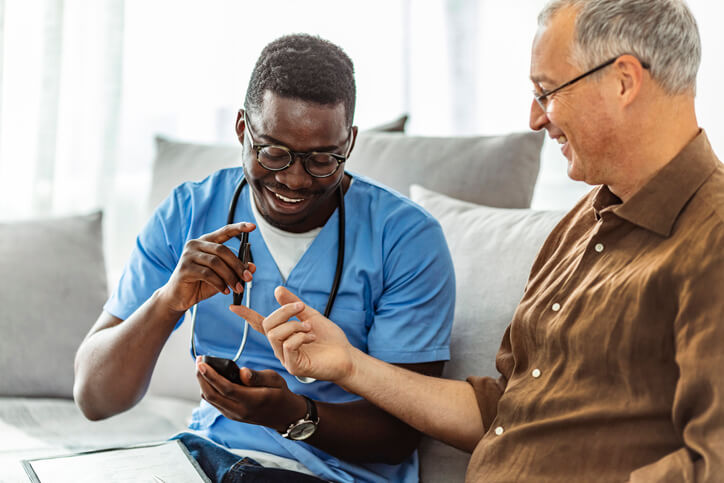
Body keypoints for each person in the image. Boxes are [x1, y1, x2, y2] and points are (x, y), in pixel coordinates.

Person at [232, 1, 724, 481]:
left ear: (623, 81)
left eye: (547, 91)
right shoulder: (582, 226)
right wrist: (350, 366)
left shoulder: (712, 242)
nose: (536, 119)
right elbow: (505, 412)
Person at [73, 34, 455, 482]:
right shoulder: (189, 211)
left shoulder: (406, 238)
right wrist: (165, 303)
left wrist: (293, 414)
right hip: (203, 458)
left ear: (349, 143)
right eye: (273, 152)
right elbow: (95, 398)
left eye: (321, 160)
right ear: (242, 130)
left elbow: (402, 433)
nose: (294, 180)